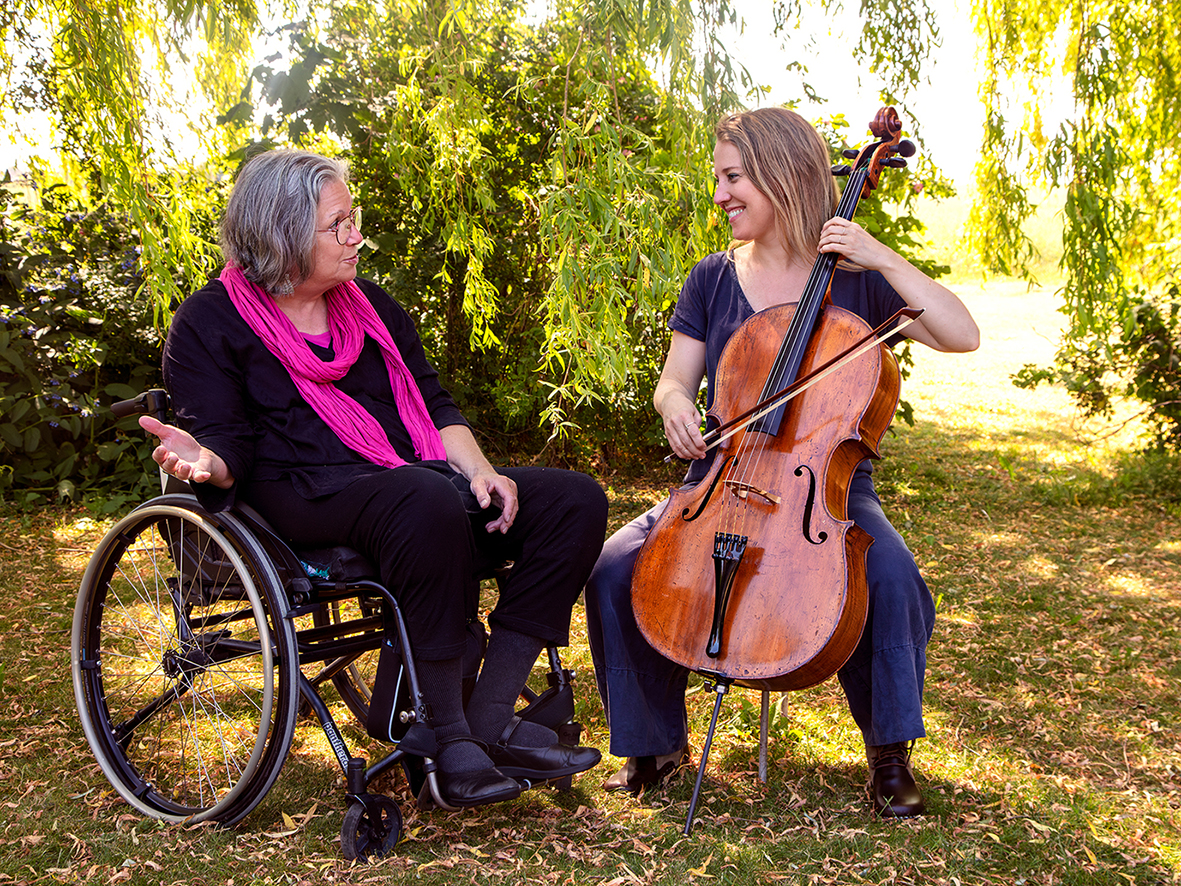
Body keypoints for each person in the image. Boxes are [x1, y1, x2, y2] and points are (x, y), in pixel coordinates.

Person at [140, 149, 608, 809]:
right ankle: (446, 738)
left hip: (404, 486)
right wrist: (205, 463)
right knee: (422, 498)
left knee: (571, 501)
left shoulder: (371, 308)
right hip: (298, 496)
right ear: (284, 232)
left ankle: (491, 713)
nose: (356, 236)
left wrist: (481, 471)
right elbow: (226, 443)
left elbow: (434, 405)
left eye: (352, 220)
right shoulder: (209, 323)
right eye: (338, 225)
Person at [584, 107, 979, 817]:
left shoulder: (855, 279)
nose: (719, 195)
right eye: (718, 178)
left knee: (889, 577)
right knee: (616, 567)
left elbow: (962, 334)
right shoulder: (711, 278)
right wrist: (673, 405)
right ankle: (653, 747)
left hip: (823, 489)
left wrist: (883, 256)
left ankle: (889, 755)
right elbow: (674, 380)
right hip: (716, 478)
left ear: (783, 176)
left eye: (733, 177)